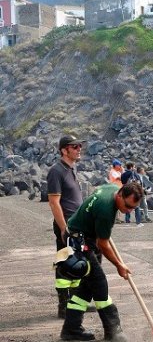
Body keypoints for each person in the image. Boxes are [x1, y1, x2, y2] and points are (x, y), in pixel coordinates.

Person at [57, 182, 143, 342]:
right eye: (127, 206)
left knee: (87, 287)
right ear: (120, 195)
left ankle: (71, 329)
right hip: (79, 241)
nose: (129, 211)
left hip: (83, 235)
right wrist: (119, 265)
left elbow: (98, 192)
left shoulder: (111, 188)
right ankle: (113, 331)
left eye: (133, 208)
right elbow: (103, 245)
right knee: (99, 282)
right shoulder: (106, 211)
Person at [47, 135, 85, 319]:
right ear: (64, 150)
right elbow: (54, 202)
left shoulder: (71, 169)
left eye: (79, 146)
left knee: (77, 264)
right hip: (67, 225)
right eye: (75, 146)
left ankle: (74, 303)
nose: (79, 149)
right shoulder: (56, 171)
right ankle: (63, 306)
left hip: (77, 225)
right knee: (64, 263)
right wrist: (63, 229)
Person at [121, 162, 143, 227]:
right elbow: (135, 181)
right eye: (134, 167)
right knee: (137, 207)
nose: (135, 168)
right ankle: (138, 222)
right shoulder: (132, 173)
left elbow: (122, 182)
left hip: (125, 191)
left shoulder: (123, 174)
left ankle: (127, 222)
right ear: (131, 167)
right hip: (132, 191)